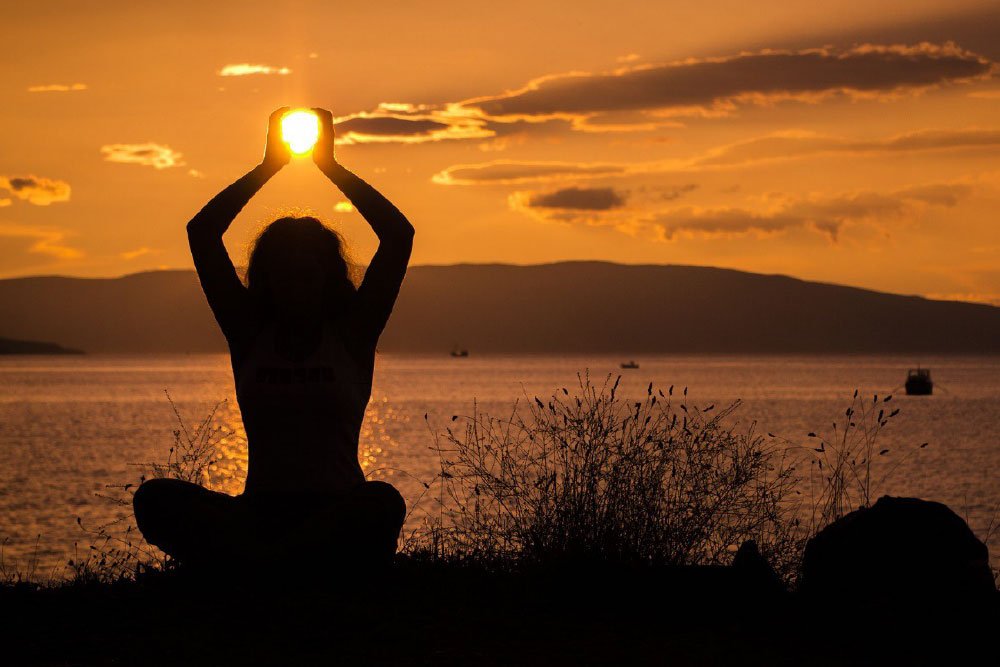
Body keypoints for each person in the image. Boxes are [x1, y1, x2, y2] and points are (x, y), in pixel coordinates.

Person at [132, 107, 413, 571]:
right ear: (266, 279)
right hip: (258, 514)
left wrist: (330, 167)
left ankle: (262, 569)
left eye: (307, 274)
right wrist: (269, 167)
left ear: (328, 278)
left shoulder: (352, 334)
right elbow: (202, 233)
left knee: (382, 502)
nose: (296, 285)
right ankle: (283, 567)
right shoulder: (248, 333)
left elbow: (398, 235)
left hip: (334, 511)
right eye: (284, 275)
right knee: (155, 498)